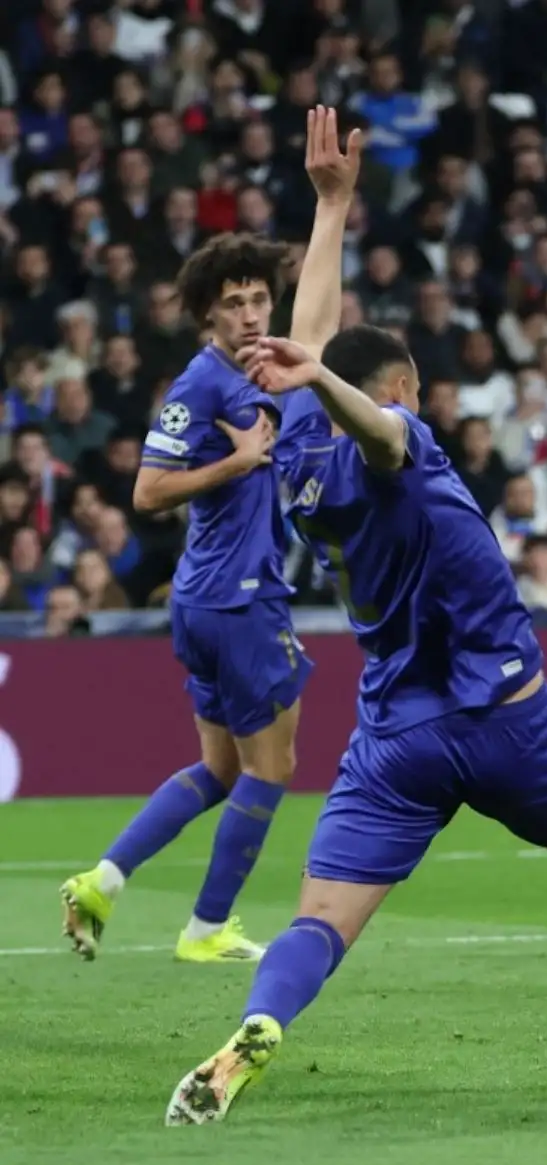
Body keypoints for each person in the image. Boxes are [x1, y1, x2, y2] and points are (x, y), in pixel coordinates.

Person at [165, 114, 547, 1124]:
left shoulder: (296, 453)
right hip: (509, 715)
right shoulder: (397, 437)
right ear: (406, 387)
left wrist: (332, 207)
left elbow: (310, 339)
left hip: (398, 733)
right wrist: (335, 376)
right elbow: (375, 429)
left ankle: (262, 1022)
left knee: (322, 920)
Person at [58, 137, 331, 965]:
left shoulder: (255, 370)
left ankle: (104, 877)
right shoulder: (202, 385)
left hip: (206, 597)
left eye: (259, 298)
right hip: (236, 598)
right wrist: (237, 463)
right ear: (206, 313)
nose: (250, 313)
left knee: (219, 768)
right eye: (233, 302)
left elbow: (312, 341)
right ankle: (207, 926)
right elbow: (146, 492)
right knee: (273, 766)